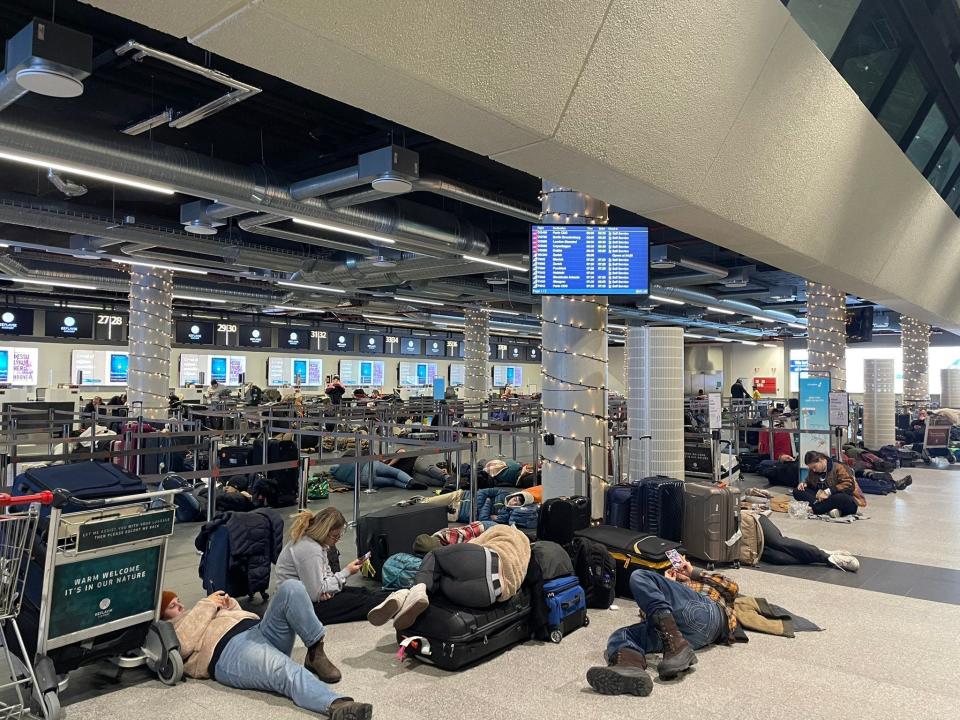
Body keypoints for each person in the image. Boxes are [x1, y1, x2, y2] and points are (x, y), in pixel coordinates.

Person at [159, 583, 372, 719]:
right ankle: (336, 704)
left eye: (179, 601)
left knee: (292, 588)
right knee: (284, 670)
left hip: (257, 630)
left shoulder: (201, 610)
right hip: (230, 651)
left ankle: (316, 650)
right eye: (173, 606)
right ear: (162, 616)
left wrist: (227, 604)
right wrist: (207, 604)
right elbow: (183, 646)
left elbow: (240, 614)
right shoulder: (174, 627)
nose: (180, 606)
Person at [586, 559, 738, 696]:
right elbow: (650, 617)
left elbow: (732, 587)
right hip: (688, 638)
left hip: (708, 613)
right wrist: (665, 587)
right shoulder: (671, 589)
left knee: (640, 576)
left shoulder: (699, 582)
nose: (678, 572)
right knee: (621, 636)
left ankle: (677, 647)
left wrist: (693, 572)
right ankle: (629, 666)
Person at [275, 508, 391, 625]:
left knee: (362, 592)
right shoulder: (310, 549)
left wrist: (328, 590)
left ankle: (397, 599)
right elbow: (316, 593)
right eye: (335, 536)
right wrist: (346, 572)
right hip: (300, 610)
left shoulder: (317, 544)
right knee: (361, 602)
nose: (336, 540)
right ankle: (396, 606)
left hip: (307, 601)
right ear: (324, 531)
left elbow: (326, 579)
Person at [757, 514, 859, 571]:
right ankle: (818, 552)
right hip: (751, 546)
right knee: (777, 557)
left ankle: (829, 558)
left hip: (754, 521)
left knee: (778, 542)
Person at [796, 451, 859, 517]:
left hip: (842, 499)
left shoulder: (839, 466)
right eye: (811, 468)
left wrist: (828, 491)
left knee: (841, 498)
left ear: (820, 460)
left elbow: (849, 485)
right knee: (798, 491)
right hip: (823, 499)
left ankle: (816, 509)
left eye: (814, 467)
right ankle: (827, 509)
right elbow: (810, 482)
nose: (814, 470)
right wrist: (804, 484)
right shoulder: (814, 471)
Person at [328, 460, 426, 490]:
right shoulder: (346, 462)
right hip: (370, 465)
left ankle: (407, 486)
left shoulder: (339, 476)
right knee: (396, 473)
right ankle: (410, 481)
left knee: (392, 481)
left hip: (363, 479)